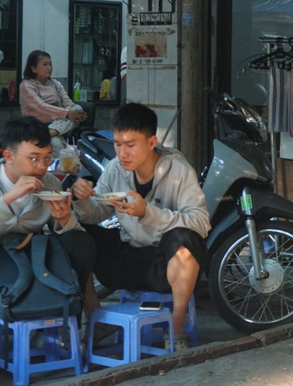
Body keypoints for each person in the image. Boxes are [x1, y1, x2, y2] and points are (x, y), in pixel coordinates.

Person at [0, 117, 99, 376]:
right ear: (9, 155)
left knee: (81, 243)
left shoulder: (49, 183)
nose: (41, 166)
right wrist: (9, 199)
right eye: (33, 158)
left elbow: (71, 232)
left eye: (47, 158)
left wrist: (63, 218)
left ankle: (61, 328)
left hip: (28, 247)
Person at [71, 103, 210, 350]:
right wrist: (81, 200)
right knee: (77, 237)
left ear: (151, 142)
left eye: (131, 145)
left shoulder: (178, 170)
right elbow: (97, 214)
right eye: (117, 144)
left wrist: (148, 213)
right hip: (127, 261)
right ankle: (96, 318)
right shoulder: (115, 168)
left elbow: (200, 222)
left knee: (182, 238)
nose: (123, 153)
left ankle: (176, 329)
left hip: (165, 266)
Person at [19, 49, 87, 154]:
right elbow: (41, 106)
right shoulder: (27, 85)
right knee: (56, 143)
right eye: (45, 64)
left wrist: (78, 114)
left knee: (77, 108)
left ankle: (49, 133)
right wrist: (68, 114)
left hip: (56, 125)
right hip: (36, 127)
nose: (49, 68)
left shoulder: (55, 84)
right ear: (33, 68)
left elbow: (69, 104)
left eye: (50, 64)